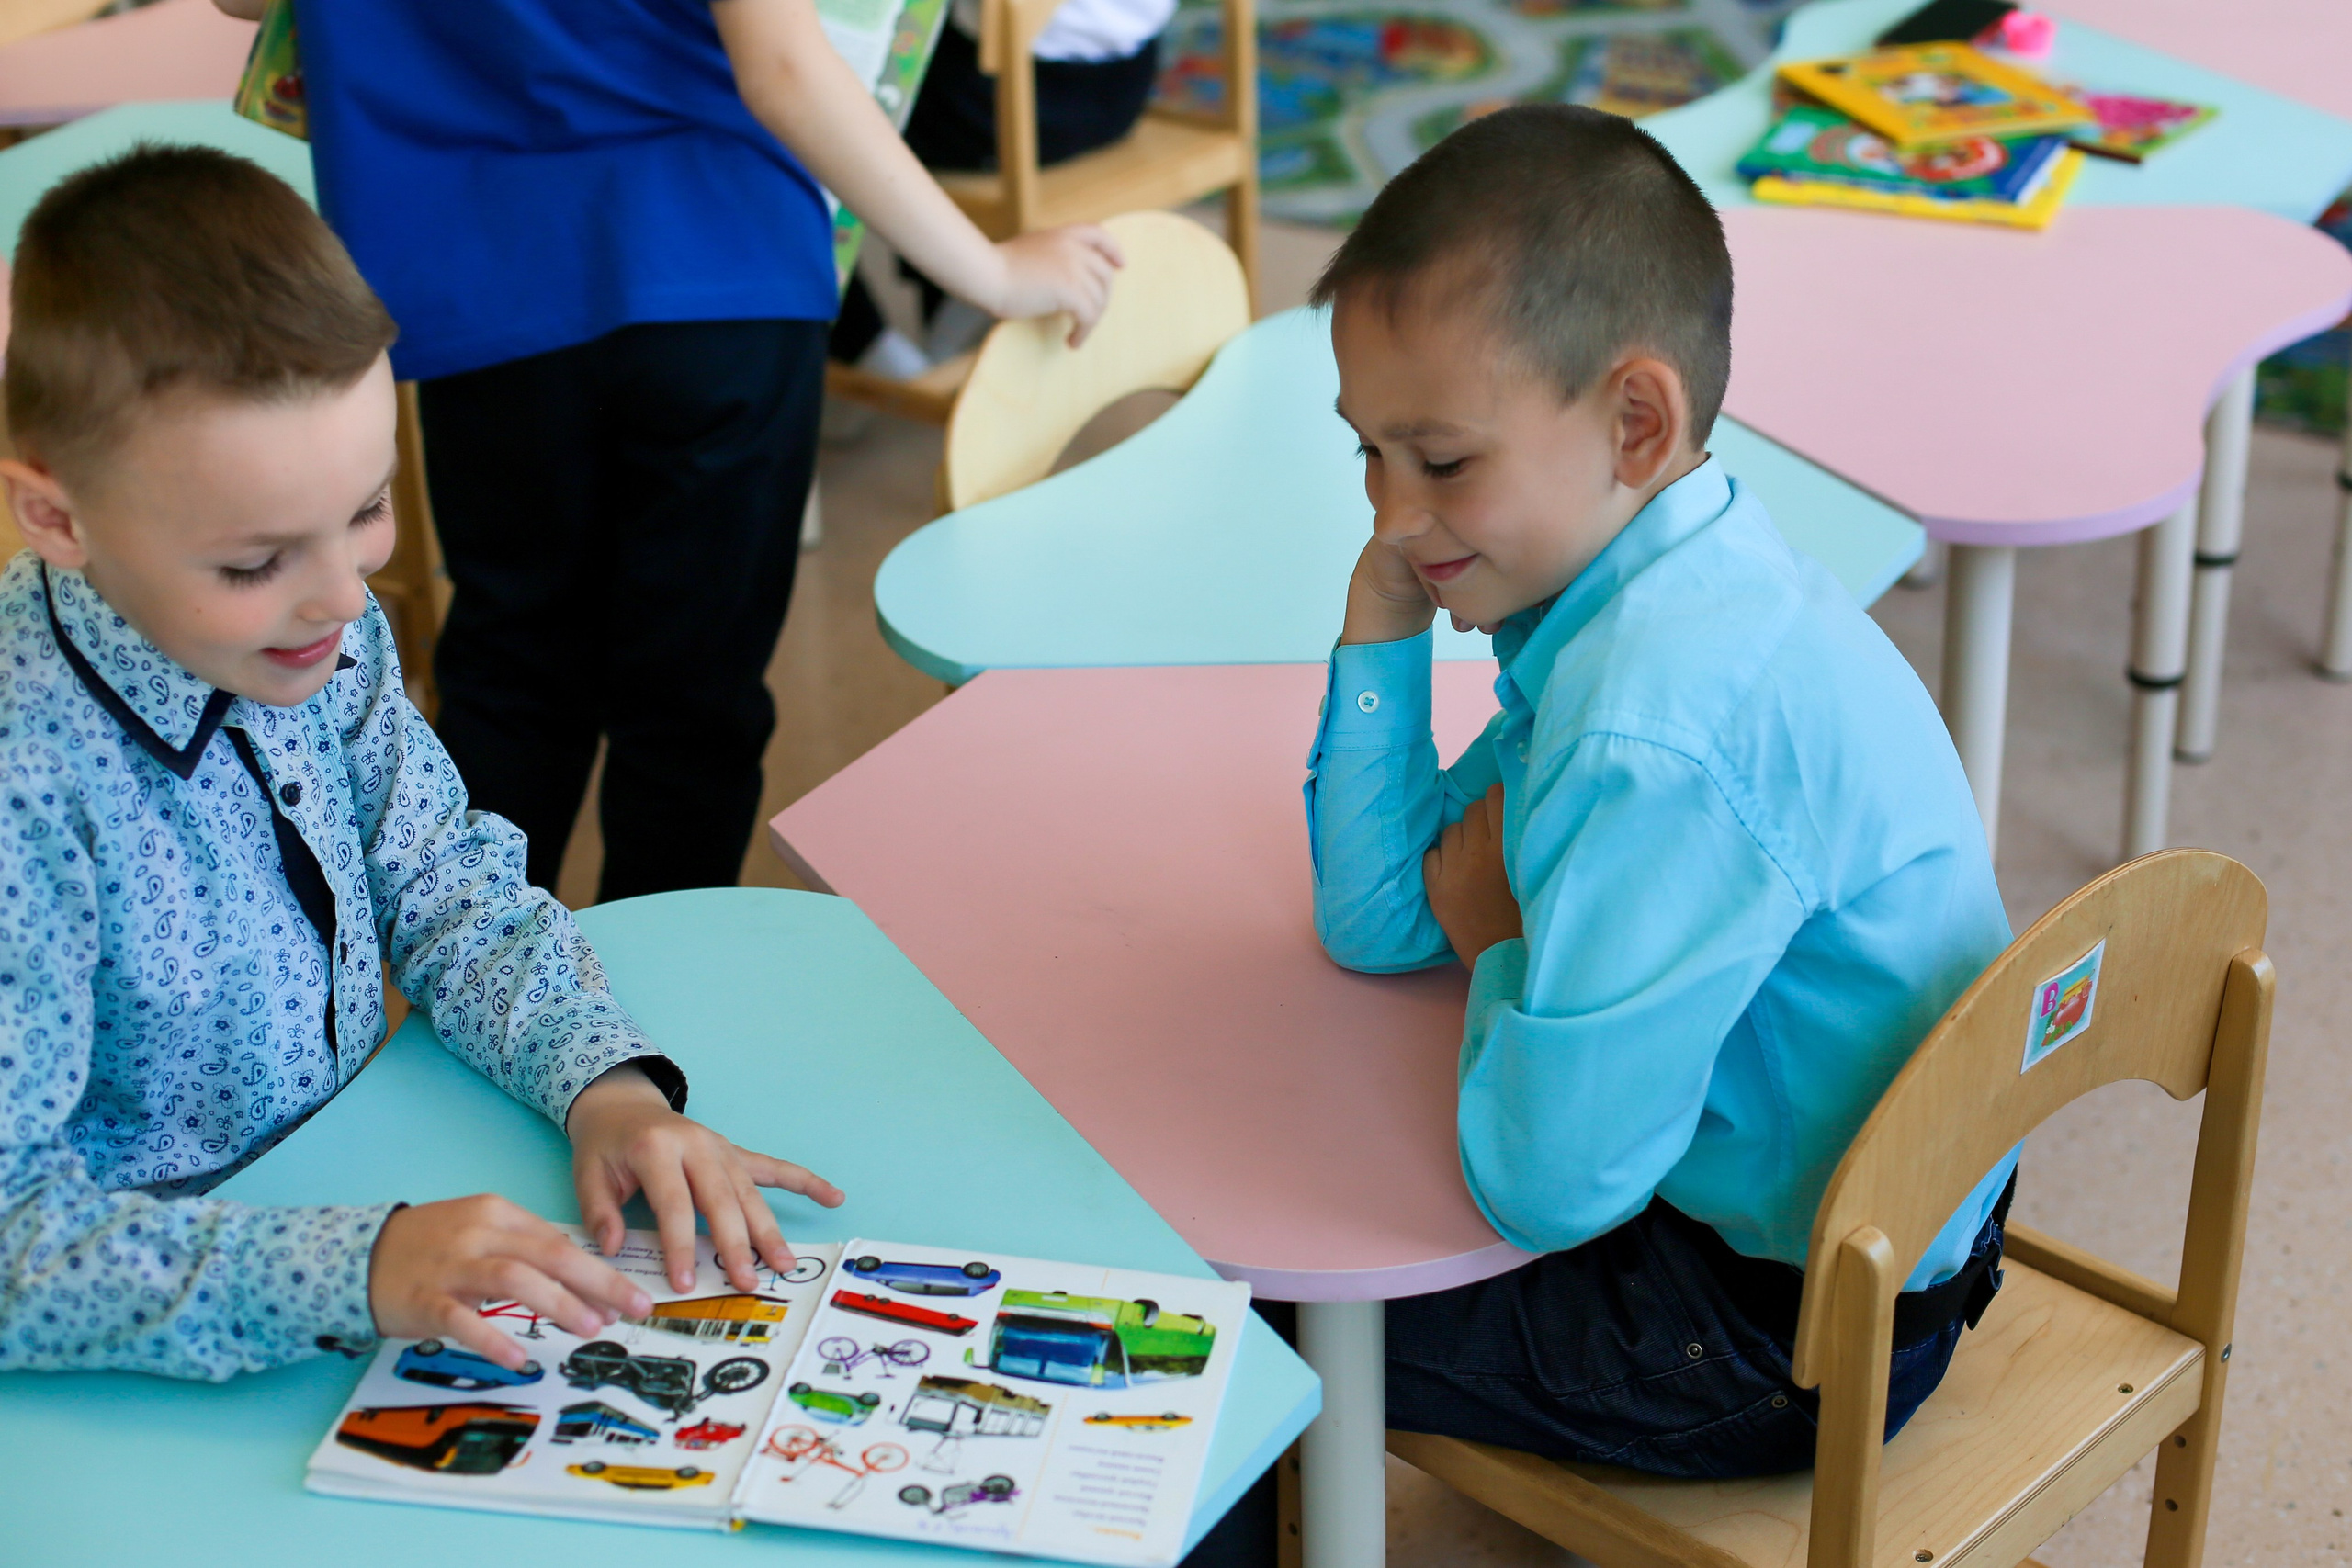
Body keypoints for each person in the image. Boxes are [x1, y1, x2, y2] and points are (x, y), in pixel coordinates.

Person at [0, 148, 842, 1379]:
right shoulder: (27, 787)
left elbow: (445, 886)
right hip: (145, 1356)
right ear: (60, 517)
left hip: (356, 1218)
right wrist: (355, 1265)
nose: (348, 593)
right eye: (255, 562)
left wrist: (605, 1085)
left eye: (371, 507)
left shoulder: (318, 630)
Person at [1305, 104, 2018, 1478]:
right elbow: (1375, 913)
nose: (1393, 513)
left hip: (1786, 1335)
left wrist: (1497, 939)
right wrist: (1380, 611)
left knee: (1255, 1302)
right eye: (1367, 452)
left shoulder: (1650, 726)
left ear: (1637, 419)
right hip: (1899, 1220)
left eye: (1441, 459)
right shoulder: (1670, 574)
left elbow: (1545, 1183)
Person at [217, 0, 1123, 898]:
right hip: (719, 262)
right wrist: (991, 270)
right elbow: (784, 70)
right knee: (693, 705)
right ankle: (653, 1020)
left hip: (491, 283)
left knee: (513, 672)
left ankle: (478, 999)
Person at [831, 0, 1178, 373]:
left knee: (814, 98)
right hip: (1126, 82)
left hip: (1004, 99)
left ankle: (861, 341)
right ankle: (957, 275)